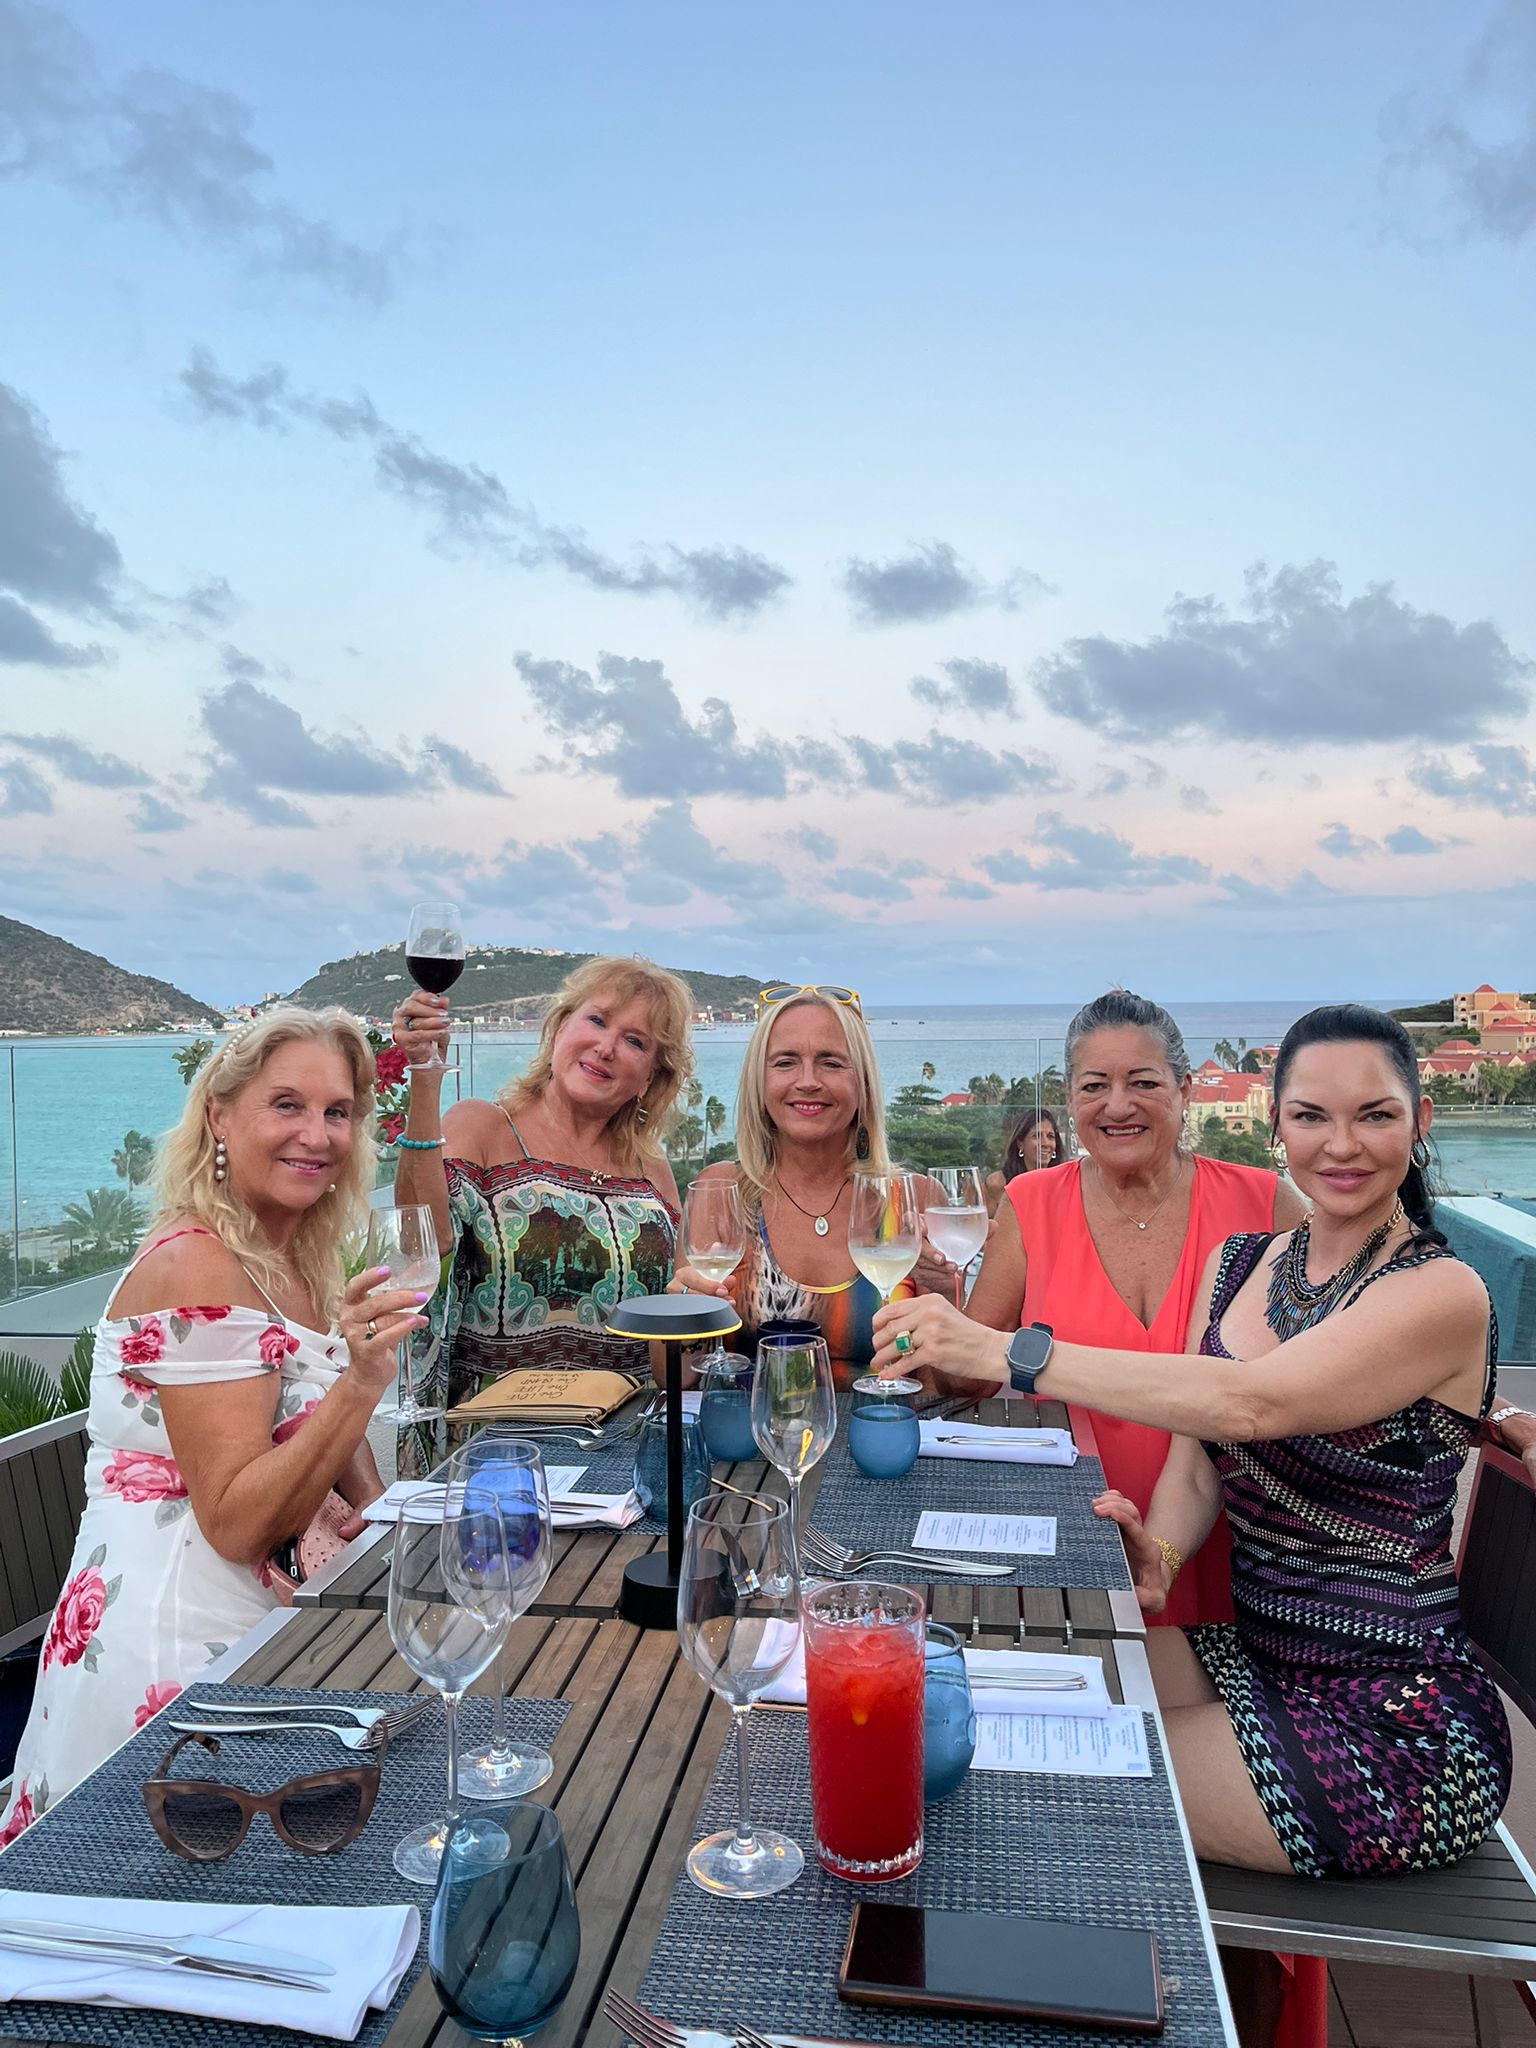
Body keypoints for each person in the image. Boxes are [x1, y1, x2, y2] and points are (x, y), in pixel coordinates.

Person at [873, 1006, 1515, 2043]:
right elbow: (1201, 1461)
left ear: (1420, 1119)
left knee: (1062, 1795)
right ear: (1277, 1125)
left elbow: (1246, 1405)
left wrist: (1014, 1354)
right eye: (1312, 1114)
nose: (1340, 1143)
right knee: (985, 1704)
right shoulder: (1247, 1264)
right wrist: (1160, 1553)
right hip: (1255, 1654)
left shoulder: (1442, 1289)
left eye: (1374, 1114)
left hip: (1398, 1724)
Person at [0, 1008, 418, 1846]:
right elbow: (233, 1522)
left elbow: (322, 1444)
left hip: (267, 1636)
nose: (318, 1134)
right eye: (287, 1105)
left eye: (338, 1112)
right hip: (181, 1655)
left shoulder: (290, 1257)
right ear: (220, 1115)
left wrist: (394, 1516)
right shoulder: (200, 1264)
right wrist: (364, 1381)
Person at [957, 991, 1307, 1629]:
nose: (1118, 1105)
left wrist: (1496, 1410)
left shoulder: (1267, 1204)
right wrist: (929, 1307)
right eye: (1095, 1085)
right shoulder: (1031, 1202)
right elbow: (972, 1374)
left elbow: (1352, 1337)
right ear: (1070, 1099)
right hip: (1074, 1534)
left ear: (1185, 1090)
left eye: (1143, 1082)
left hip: (1232, 1541)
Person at [390, 956, 692, 1459]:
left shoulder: (652, 1168)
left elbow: (673, 1317)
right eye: (596, 1021)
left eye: (635, 1041)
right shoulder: (482, 1126)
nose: (606, 1047)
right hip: (497, 1451)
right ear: (558, 1029)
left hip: (625, 1449)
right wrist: (425, 1075)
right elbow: (418, 1241)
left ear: (648, 1078)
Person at [666, 984, 952, 1384]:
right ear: (759, 1082)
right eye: (785, 1062)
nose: (808, 1081)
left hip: (879, 1435)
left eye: (831, 1063)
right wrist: (684, 1311)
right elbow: (673, 1379)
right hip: (742, 1439)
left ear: (863, 1082)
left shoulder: (911, 1198)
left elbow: (959, 1386)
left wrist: (948, 1292)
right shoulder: (722, 1191)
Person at [1003, 1106, 1065, 1177]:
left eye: (1050, 1136)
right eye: (1037, 1136)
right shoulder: (998, 1183)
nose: (1045, 1143)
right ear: (1020, 1144)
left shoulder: (1064, 1179)